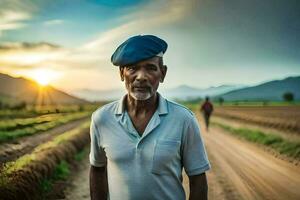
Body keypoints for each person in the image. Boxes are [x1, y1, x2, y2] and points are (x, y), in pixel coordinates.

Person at [89, 35, 210, 200]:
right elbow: (97, 169)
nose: (141, 77)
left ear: (163, 73)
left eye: (151, 68)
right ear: (121, 73)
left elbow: (198, 179)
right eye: (132, 68)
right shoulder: (102, 119)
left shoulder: (184, 120)